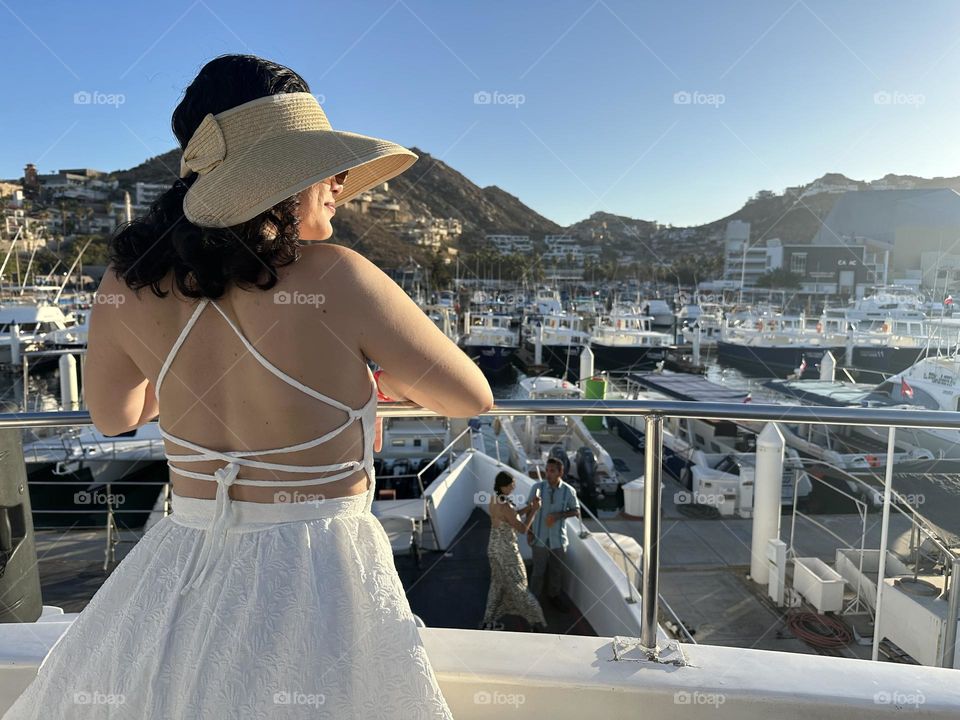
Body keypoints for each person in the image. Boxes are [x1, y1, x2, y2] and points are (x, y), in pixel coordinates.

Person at [2, 54, 493, 720]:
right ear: (281, 178)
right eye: (326, 166)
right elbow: (470, 396)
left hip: (181, 564)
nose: (339, 184)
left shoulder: (126, 283)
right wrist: (369, 377)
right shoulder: (338, 277)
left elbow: (114, 416)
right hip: (319, 568)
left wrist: (177, 376)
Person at [481, 472, 547, 632]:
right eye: (511, 484)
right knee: (521, 586)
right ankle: (538, 623)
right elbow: (522, 528)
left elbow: (512, 516)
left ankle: (488, 622)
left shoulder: (494, 499)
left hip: (493, 549)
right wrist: (535, 510)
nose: (514, 487)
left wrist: (529, 507)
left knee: (496, 585)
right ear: (503, 486)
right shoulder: (506, 506)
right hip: (507, 552)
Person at [527, 457, 581, 613]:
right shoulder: (537, 488)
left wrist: (558, 515)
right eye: (547, 470)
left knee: (556, 571)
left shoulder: (568, 491)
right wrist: (529, 531)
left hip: (558, 539)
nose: (548, 474)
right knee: (538, 571)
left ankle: (554, 597)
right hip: (539, 538)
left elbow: (576, 510)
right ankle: (533, 600)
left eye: (552, 471)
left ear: (560, 472)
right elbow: (530, 510)